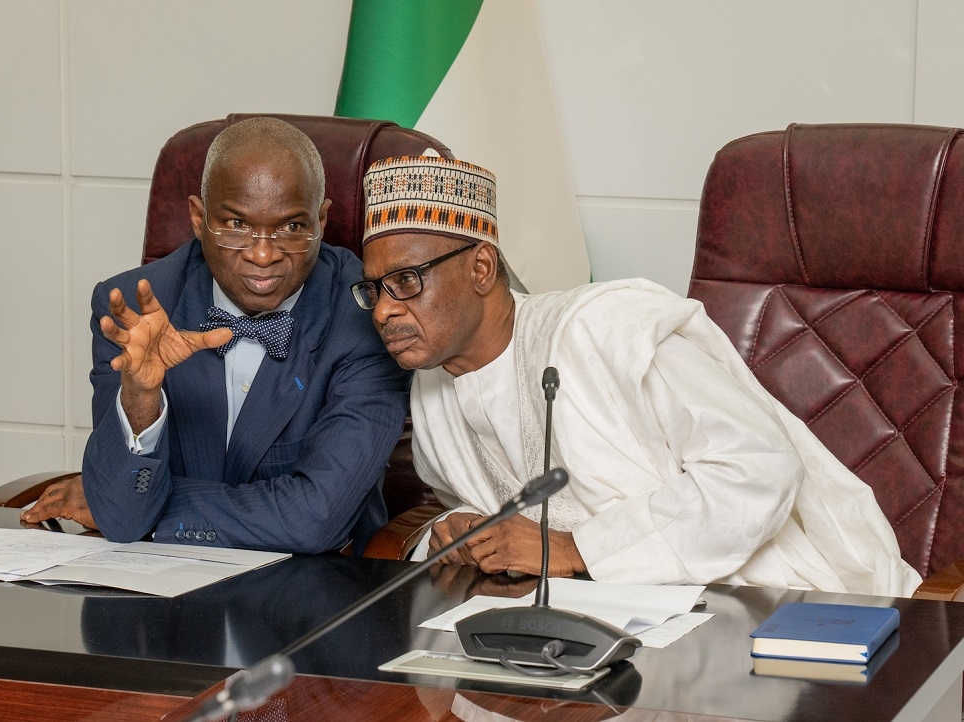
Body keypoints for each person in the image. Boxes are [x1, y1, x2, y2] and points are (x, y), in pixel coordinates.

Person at [351, 155, 922, 596]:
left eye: (407, 281)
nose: (382, 311)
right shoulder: (431, 378)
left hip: (765, 603)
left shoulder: (604, 328)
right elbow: (464, 496)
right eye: (373, 289)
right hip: (591, 630)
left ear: (480, 267)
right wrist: (455, 529)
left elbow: (759, 470)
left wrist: (576, 549)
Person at [22, 118, 411, 555]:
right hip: (159, 593)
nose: (263, 254)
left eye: (292, 227)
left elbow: (314, 521)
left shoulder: (368, 313)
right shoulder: (132, 306)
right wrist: (141, 399)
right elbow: (123, 513)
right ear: (197, 218)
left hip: (317, 592)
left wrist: (144, 506)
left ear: (321, 220)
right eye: (236, 224)